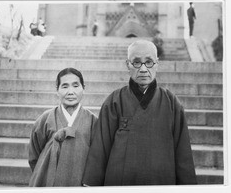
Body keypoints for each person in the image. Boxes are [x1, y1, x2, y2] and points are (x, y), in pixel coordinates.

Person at [82, 40, 197, 186]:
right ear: (127, 65)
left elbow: (183, 153)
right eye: (136, 62)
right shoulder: (114, 101)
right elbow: (101, 149)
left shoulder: (171, 103)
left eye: (149, 62)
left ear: (157, 64)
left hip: (161, 182)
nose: (143, 69)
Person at [28, 68, 97, 187]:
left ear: (83, 88)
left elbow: (97, 159)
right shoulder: (45, 119)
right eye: (65, 86)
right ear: (57, 90)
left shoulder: (93, 121)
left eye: (76, 86)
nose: (70, 92)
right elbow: (34, 155)